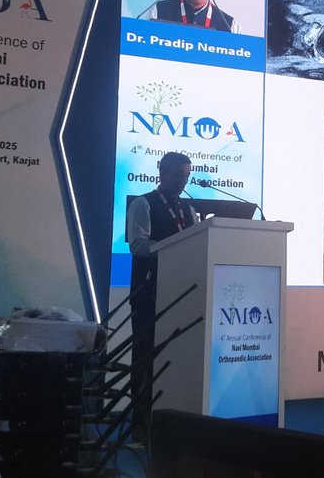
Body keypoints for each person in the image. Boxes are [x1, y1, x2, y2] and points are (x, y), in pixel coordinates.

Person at [123, 151, 197, 438]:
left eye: (186, 176)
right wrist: (173, 247)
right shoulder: (143, 203)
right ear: (162, 173)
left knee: (175, 356)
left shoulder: (189, 210)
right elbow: (138, 245)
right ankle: (141, 423)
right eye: (178, 175)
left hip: (180, 292)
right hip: (148, 292)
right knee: (145, 355)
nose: (182, 181)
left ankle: (172, 422)